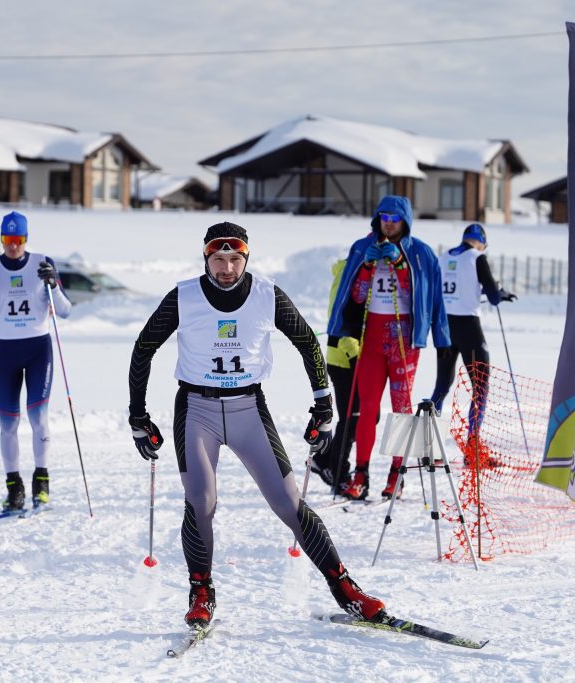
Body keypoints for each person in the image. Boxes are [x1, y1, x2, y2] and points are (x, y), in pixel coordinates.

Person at [127, 221, 388, 629]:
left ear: (246, 259)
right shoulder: (184, 296)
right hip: (197, 409)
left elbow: (307, 342)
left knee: (287, 501)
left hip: (249, 407)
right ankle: (201, 591)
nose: (227, 268)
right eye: (218, 259)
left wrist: (324, 404)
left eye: (235, 259)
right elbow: (144, 348)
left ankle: (346, 590)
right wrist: (138, 416)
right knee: (201, 500)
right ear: (205, 259)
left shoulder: (267, 295)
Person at [325, 195, 451, 500]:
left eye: (395, 219)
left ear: (405, 220)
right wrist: (367, 266)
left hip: (403, 342)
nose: (389, 223)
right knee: (367, 408)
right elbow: (356, 295)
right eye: (384, 217)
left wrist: (400, 264)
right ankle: (361, 474)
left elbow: (429, 295)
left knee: (401, 408)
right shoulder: (362, 246)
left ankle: (397, 474)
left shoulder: (421, 253)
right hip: (370, 340)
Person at [0, 211, 71, 512]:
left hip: (38, 349)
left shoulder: (42, 262)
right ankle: (14, 488)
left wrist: (53, 285)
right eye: (8, 239)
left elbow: (65, 311)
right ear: (2, 240)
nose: (13, 246)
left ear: (26, 239)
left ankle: (42, 483)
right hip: (6, 353)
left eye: (18, 239)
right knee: (7, 423)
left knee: (38, 418)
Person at [429, 223, 516, 436]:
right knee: (480, 385)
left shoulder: (443, 257)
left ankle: (428, 436)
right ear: (480, 242)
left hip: (444, 327)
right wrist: (499, 293)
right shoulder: (477, 257)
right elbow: (493, 297)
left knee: (442, 385)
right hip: (469, 328)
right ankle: (473, 440)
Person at [308, 259, 366, 497]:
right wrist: (356, 356)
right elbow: (340, 321)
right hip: (344, 357)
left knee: (363, 418)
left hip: (354, 355)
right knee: (352, 417)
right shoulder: (350, 274)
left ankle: (323, 459)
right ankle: (337, 473)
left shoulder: (357, 272)